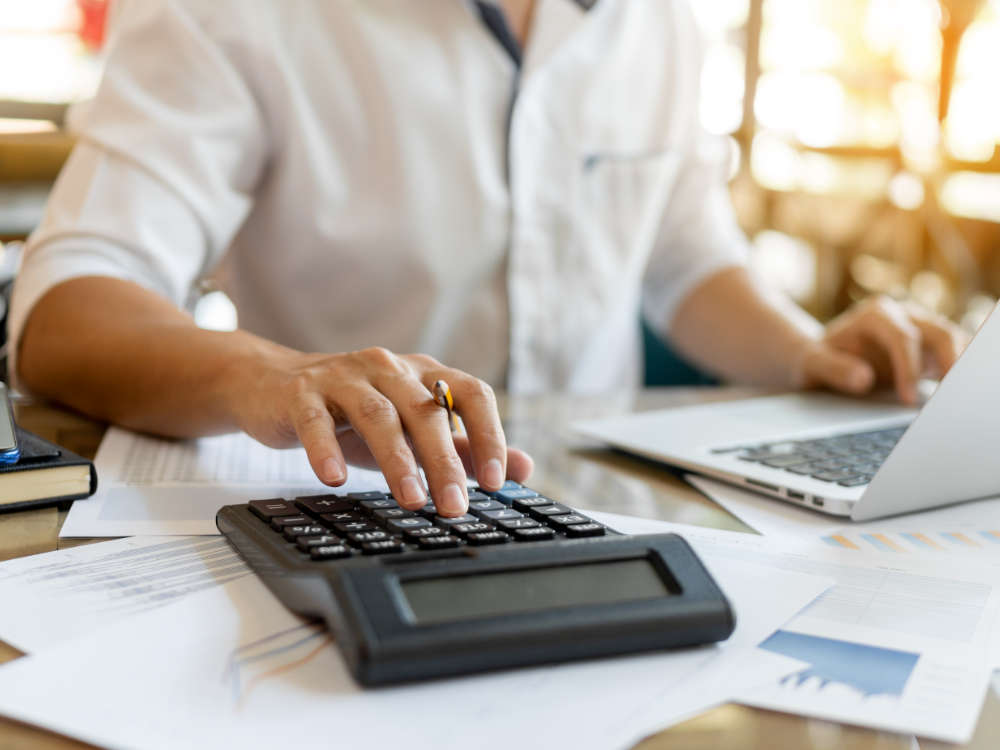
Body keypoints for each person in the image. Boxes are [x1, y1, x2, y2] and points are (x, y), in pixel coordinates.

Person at [9, 0, 965, 518]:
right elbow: (64, 312)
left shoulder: (657, 22)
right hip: (355, 509)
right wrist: (279, 373)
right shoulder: (234, 14)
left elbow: (681, 254)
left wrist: (809, 355)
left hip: (615, 521)